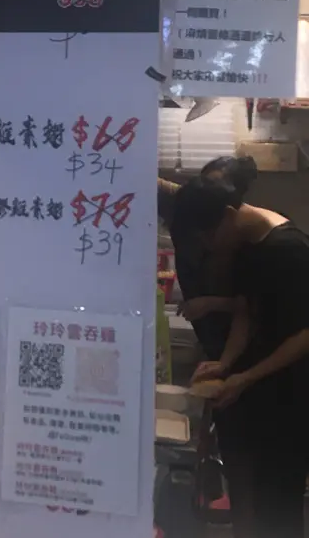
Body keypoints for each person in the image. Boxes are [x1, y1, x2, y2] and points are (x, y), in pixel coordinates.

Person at [174, 176, 309, 538]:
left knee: (279, 504)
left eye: (209, 237)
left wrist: (246, 377)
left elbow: (304, 335)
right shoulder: (251, 245)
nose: (210, 247)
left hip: (292, 395)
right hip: (263, 390)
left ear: (229, 214)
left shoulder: (290, 250)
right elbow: (246, 312)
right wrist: (226, 363)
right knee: (258, 498)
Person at [158, 157, 258, 537]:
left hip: (241, 345)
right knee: (217, 429)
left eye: (216, 187)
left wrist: (212, 304)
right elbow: (142, 176)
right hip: (211, 340)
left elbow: (253, 305)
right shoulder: (187, 200)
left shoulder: (248, 236)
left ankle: (240, 510)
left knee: (242, 448)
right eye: (205, 182)